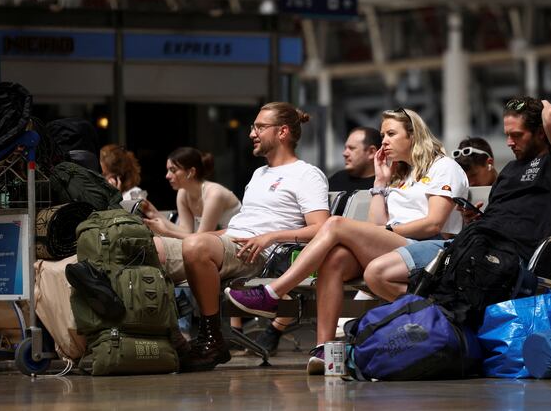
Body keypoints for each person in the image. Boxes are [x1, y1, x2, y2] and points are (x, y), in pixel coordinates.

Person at [225, 108, 469, 374]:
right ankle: (324, 348)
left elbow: (433, 223)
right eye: (383, 134)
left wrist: (390, 230)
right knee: (336, 258)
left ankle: (273, 293)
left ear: (413, 135)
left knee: (335, 223)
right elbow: (377, 225)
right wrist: (380, 182)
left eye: (391, 134)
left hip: (432, 248)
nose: (384, 140)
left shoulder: (443, 167)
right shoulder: (400, 174)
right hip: (398, 246)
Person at [364, 97, 551, 302]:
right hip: (471, 245)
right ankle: (436, 311)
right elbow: (501, 217)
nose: (509, 142)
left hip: (507, 258)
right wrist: (474, 220)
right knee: (377, 274)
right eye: (507, 134)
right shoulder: (509, 170)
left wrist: (536, 105)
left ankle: (439, 314)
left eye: (517, 135)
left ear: (540, 133)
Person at [173, 102, 330, 372]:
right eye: (252, 127)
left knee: (196, 245)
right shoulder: (259, 174)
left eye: (259, 127)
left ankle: (211, 340)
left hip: (258, 255)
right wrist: (204, 237)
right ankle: (168, 341)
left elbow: (321, 228)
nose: (251, 133)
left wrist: (271, 237)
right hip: (232, 243)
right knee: (149, 248)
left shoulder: (307, 174)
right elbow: (239, 226)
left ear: (282, 132)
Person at [256, 126, 381, 355]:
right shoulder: (337, 180)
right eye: (344, 147)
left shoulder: (382, 182)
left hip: (358, 251)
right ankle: (321, 346)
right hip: (326, 249)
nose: (344, 153)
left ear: (372, 151)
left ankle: (274, 321)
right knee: (312, 256)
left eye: (351, 148)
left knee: (328, 242)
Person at [141, 147, 241, 240]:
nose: (167, 176)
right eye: (168, 170)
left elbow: (202, 238)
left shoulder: (214, 194)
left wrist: (166, 232)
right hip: (212, 243)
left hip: (237, 243)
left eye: (173, 170)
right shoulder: (183, 193)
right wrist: (154, 213)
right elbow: (185, 230)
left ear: (191, 172)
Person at [451, 136, 498, 223]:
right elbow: (447, 235)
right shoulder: (460, 193)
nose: (470, 182)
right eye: (464, 178)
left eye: (473, 175)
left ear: (489, 163)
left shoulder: (509, 189)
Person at [327, 127, 381, 191]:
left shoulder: (385, 185)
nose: (345, 154)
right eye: (345, 148)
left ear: (371, 152)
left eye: (351, 148)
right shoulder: (336, 180)